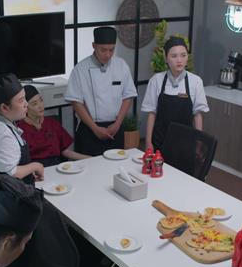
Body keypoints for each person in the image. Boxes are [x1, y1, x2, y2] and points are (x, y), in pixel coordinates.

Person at [65, 26, 137, 156]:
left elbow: (128, 96)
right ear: (94, 46)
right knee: (89, 167)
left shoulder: (121, 65)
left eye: (111, 50)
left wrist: (118, 124)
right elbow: (76, 102)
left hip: (115, 129)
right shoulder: (80, 69)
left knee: (115, 164)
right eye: (103, 50)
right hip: (89, 129)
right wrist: (95, 128)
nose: (108, 54)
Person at [141, 36, 209, 151]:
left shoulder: (196, 81)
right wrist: (148, 142)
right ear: (166, 58)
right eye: (174, 56)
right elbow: (152, 113)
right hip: (160, 141)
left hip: (186, 142)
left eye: (183, 55)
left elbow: (197, 115)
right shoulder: (156, 80)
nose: (179, 60)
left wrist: (199, 141)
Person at [0, 73, 44, 186]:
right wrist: (35, 166)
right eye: (21, 100)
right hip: (7, 192)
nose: (26, 104)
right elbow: (10, 173)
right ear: (4, 107)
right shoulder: (2, 134)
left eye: (25, 98)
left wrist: (27, 173)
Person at [17, 84, 90, 167]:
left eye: (41, 100)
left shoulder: (52, 123)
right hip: (34, 169)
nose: (40, 106)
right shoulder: (19, 130)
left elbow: (65, 152)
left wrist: (92, 159)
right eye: (35, 104)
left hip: (57, 166)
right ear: (25, 108)